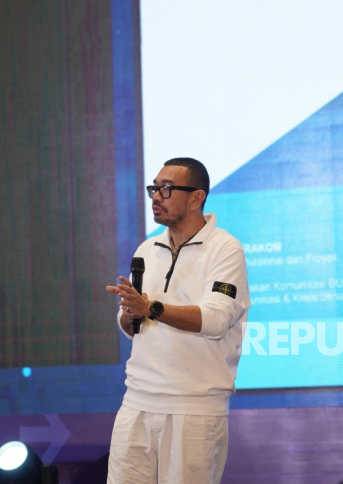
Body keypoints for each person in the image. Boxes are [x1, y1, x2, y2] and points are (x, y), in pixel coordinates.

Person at [106, 157, 250, 484]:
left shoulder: (225, 249)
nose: (156, 197)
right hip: (137, 402)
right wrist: (129, 314)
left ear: (197, 198)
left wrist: (150, 308)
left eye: (167, 189)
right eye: (154, 189)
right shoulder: (147, 248)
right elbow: (132, 328)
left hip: (194, 409)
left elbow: (215, 319)